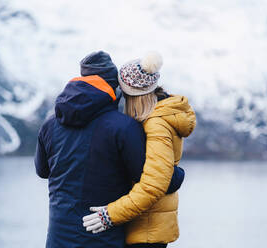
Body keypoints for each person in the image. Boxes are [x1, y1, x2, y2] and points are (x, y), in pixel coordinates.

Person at [34, 51, 183, 248]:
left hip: (57, 239)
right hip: (102, 239)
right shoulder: (123, 127)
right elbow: (157, 180)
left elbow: (42, 171)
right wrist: (178, 174)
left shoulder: (50, 123)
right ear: (114, 88)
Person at [82, 52, 196, 248]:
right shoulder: (156, 117)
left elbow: (154, 185)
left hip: (147, 232)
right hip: (146, 225)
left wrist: (109, 215)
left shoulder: (157, 124)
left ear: (133, 96)